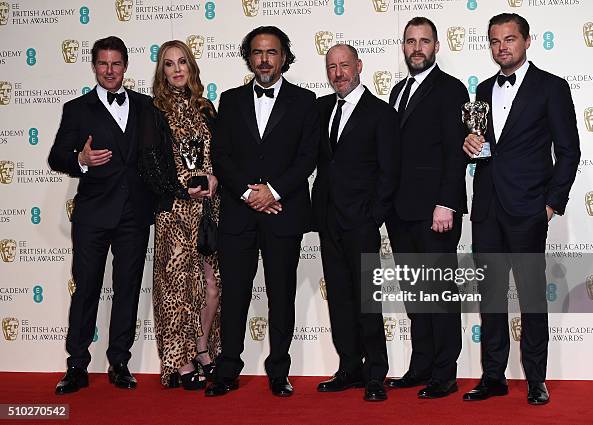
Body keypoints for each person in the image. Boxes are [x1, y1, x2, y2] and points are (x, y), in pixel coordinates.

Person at [462, 13, 580, 405]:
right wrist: (472, 149)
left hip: (528, 209)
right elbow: (487, 147)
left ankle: (536, 379)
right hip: (487, 210)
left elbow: (568, 152)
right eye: (495, 41)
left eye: (510, 39)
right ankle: (493, 376)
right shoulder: (479, 94)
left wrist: (551, 205)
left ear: (528, 41)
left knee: (531, 299)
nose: (502, 47)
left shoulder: (552, 87)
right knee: (490, 299)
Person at [206, 26, 319, 397]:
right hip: (239, 216)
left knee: (281, 294)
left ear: (284, 56)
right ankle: (228, 369)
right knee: (235, 293)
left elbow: (308, 157)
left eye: (272, 52)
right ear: (249, 58)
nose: (265, 59)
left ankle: (278, 370)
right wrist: (246, 194)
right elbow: (220, 156)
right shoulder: (230, 99)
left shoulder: (306, 101)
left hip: (283, 212)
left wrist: (271, 191)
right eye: (257, 52)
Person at [49, 36, 154, 394]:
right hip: (93, 215)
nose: (110, 71)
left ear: (126, 66)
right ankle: (77, 365)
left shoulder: (145, 105)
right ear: (94, 66)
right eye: (103, 64)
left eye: (116, 64)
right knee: (87, 289)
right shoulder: (77, 109)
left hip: (134, 215)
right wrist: (80, 159)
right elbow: (56, 157)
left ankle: (119, 362)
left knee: (127, 289)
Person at [385, 17, 469, 399]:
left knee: (439, 295)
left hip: (437, 211)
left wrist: (447, 203)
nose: (416, 48)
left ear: (436, 46)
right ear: (403, 46)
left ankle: (444, 373)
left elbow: (456, 153)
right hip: (401, 212)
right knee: (416, 296)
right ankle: (420, 367)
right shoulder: (397, 91)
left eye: (424, 41)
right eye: (410, 41)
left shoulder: (451, 90)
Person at [312, 44, 399, 402]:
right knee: (340, 300)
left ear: (359, 66)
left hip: (361, 222)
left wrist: (372, 217)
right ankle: (349, 367)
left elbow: (389, 171)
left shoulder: (381, 113)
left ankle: (375, 372)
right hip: (327, 219)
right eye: (331, 67)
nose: (338, 73)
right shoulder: (319, 109)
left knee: (367, 301)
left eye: (344, 65)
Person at [139, 40, 221, 390]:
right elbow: (150, 163)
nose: (176, 69)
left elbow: (221, 153)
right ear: (162, 70)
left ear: (191, 67)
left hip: (208, 209)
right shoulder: (153, 110)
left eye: (182, 62)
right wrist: (180, 189)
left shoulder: (207, 108)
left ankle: (203, 349)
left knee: (212, 285)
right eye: (169, 64)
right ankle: (181, 359)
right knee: (176, 290)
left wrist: (216, 179)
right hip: (174, 210)